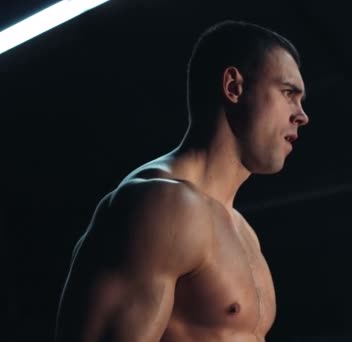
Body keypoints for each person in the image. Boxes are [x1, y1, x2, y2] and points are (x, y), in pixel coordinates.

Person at [55, 20, 309, 342]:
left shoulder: (242, 231)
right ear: (233, 87)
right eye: (288, 93)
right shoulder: (160, 204)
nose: (302, 114)